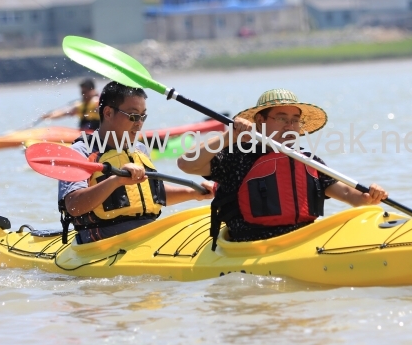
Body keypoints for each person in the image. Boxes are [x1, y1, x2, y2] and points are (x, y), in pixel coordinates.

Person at [177, 88, 387, 248]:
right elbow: (186, 163)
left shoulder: (307, 159)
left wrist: (371, 196)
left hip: (300, 242)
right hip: (250, 247)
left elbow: (351, 195)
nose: (290, 126)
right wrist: (229, 136)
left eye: (295, 121)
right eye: (281, 119)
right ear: (260, 120)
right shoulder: (237, 155)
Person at [58, 81, 214, 244]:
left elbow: (153, 192)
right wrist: (116, 181)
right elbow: (74, 206)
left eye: (143, 116)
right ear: (108, 113)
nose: (139, 122)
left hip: (145, 236)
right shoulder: (80, 152)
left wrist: (193, 193)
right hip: (100, 245)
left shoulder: (139, 149)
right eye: (133, 116)